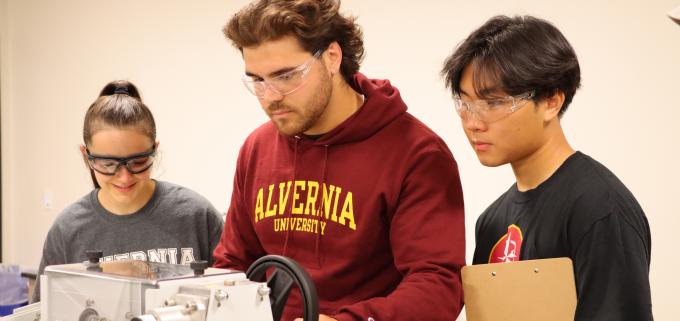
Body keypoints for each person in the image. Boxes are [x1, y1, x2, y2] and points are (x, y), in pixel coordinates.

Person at [212, 1, 466, 320]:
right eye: (258, 81)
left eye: (287, 76)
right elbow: (232, 266)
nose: (271, 96)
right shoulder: (257, 148)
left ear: (332, 57)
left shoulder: (416, 153)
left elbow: (438, 286)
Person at [441, 15, 653, 321]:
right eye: (465, 103)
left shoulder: (600, 208)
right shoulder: (490, 222)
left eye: (494, 103)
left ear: (551, 101)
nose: (474, 123)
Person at [32, 80, 224, 302]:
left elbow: (233, 302)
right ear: (86, 155)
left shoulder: (196, 216)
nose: (124, 176)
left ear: (155, 149)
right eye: (107, 164)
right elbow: (45, 312)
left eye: (138, 161)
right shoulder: (67, 230)